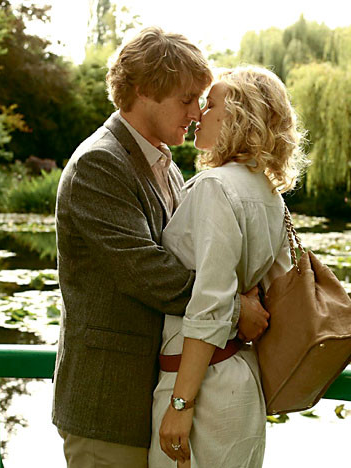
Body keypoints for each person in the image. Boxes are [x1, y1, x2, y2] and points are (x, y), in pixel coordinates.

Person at [52, 28, 270, 468]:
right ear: (143, 91)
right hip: (109, 405)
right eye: (186, 99)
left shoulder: (165, 166)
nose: (196, 112)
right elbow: (146, 272)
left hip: (152, 397)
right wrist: (234, 310)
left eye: (199, 100)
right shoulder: (99, 163)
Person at [148, 65, 308, 467]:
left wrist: (180, 404)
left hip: (202, 390)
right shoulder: (268, 192)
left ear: (239, 116)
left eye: (212, 104)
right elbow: (273, 292)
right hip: (240, 384)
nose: (199, 113)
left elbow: (210, 304)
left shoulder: (215, 186)